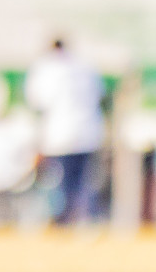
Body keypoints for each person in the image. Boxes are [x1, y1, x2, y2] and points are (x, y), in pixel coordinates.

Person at [24, 38, 105, 225]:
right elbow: (99, 94)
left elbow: (37, 101)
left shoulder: (45, 68)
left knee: (58, 183)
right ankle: (84, 219)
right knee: (83, 181)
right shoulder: (86, 67)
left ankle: (61, 220)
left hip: (59, 135)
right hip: (88, 132)